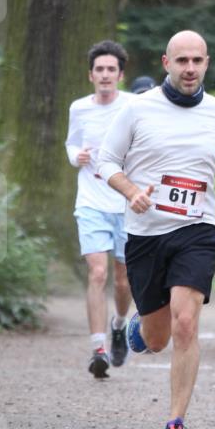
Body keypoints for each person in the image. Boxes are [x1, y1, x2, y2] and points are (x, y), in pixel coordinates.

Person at [98, 30, 215, 429]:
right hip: (146, 234)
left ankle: (175, 424)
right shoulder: (137, 109)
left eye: (197, 61)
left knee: (186, 323)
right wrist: (131, 192)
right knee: (157, 339)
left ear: (207, 63)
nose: (190, 68)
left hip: (197, 230)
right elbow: (106, 160)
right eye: (181, 60)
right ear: (166, 63)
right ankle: (141, 327)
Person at [65, 40, 135, 379]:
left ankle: (118, 325)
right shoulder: (79, 108)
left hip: (125, 203)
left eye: (111, 70)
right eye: (99, 70)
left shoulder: (134, 106)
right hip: (91, 202)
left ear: (120, 75)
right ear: (90, 75)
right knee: (97, 273)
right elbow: (71, 143)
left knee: (123, 280)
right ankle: (98, 349)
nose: (105, 75)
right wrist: (75, 156)